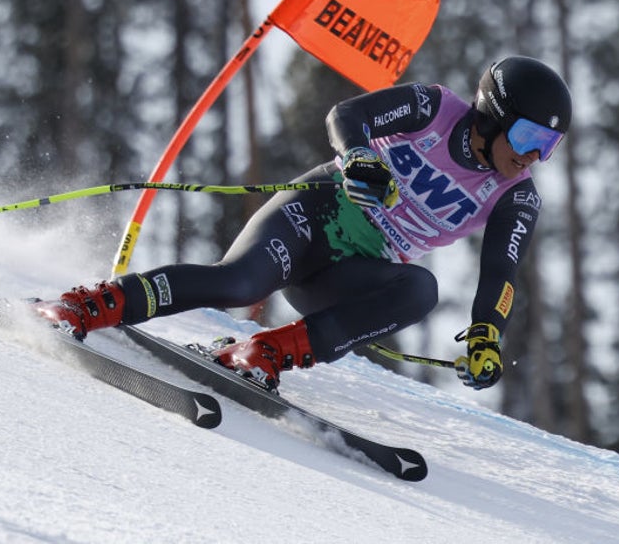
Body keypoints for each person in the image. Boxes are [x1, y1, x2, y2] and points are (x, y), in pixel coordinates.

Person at [34, 55, 572, 391]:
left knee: (421, 290)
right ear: (492, 116)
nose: (532, 157)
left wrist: (487, 336)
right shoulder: (434, 109)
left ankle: (265, 351)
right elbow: (346, 116)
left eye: (547, 147)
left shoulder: (514, 195)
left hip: (350, 274)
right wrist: (359, 157)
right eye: (528, 138)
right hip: (312, 215)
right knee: (237, 284)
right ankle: (91, 304)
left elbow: (502, 268)